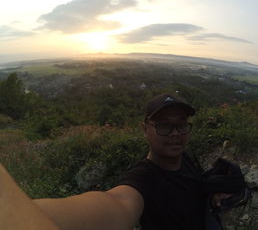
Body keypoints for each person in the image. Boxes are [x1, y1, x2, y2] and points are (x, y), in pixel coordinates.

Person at [0, 94, 233, 230]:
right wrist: (22, 214)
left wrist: (211, 191)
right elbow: (116, 204)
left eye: (181, 125)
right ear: (145, 129)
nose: (175, 133)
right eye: (163, 125)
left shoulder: (186, 156)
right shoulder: (142, 181)